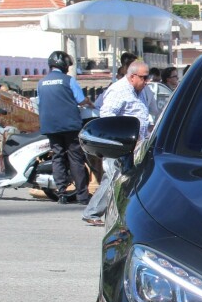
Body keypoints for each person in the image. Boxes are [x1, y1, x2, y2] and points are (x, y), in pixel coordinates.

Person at [82, 61, 152, 225]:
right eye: (144, 77)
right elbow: (107, 115)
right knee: (115, 178)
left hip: (136, 143)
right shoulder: (119, 90)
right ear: (133, 76)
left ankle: (122, 212)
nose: (147, 81)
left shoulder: (138, 91)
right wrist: (121, 136)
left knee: (125, 178)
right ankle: (93, 212)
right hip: (120, 143)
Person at [37, 50, 92, 204]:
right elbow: (80, 100)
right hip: (70, 125)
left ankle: (61, 193)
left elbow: (39, 103)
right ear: (63, 65)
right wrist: (88, 101)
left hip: (50, 126)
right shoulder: (69, 80)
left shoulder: (41, 82)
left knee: (58, 157)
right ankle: (82, 195)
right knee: (75, 158)